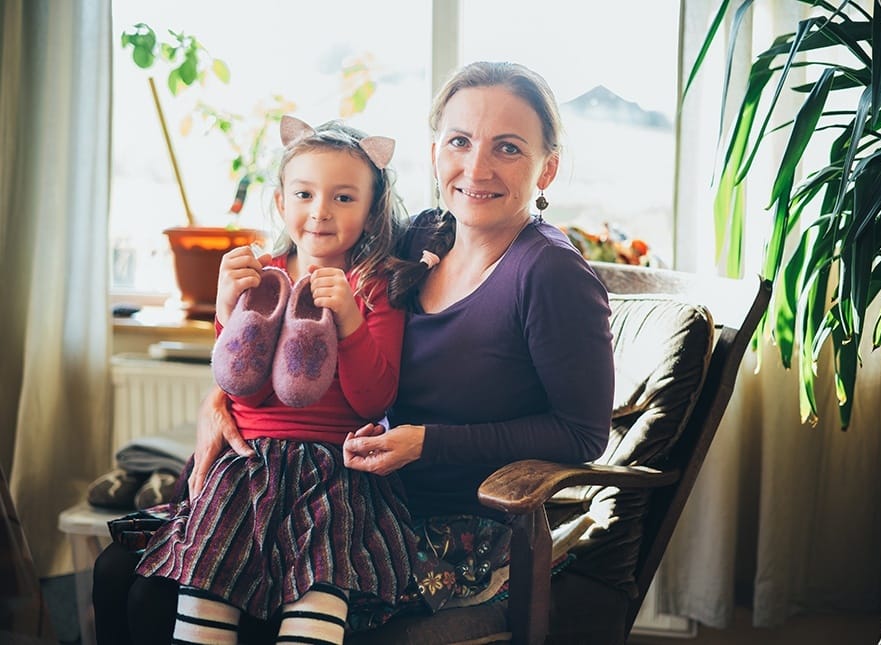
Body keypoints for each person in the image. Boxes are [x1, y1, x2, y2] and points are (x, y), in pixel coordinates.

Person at [95, 61, 615, 643]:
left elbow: (582, 434)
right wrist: (217, 401)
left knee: (156, 599)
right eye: (460, 141)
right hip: (336, 485)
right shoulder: (423, 238)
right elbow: (294, 323)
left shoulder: (550, 274)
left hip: (439, 523)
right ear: (435, 151)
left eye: (509, 148)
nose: (476, 168)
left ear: (548, 168)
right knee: (117, 570)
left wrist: (426, 443)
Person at [96, 117, 416, 644]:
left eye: (343, 198)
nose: (321, 211)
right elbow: (238, 378)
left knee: (320, 590)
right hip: (246, 468)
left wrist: (350, 323)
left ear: (371, 209)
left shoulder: (374, 286)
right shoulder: (262, 273)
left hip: (332, 474)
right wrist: (228, 308)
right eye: (305, 194)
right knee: (206, 590)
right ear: (281, 200)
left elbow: (374, 400)